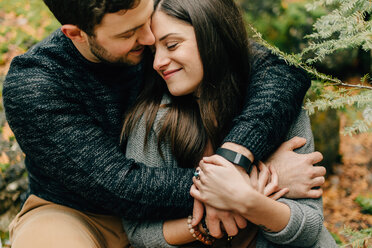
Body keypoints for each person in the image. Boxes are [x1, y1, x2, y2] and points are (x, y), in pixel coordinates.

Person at [2, 0, 326, 247]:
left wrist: (236, 160)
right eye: (129, 33)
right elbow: (122, 188)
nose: (147, 39)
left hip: (178, 200)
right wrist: (253, 181)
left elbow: (281, 71)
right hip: (81, 212)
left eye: (146, 21)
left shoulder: (156, 29)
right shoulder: (36, 83)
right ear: (76, 34)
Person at [120, 0, 337, 247]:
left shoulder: (276, 104)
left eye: (172, 45)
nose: (158, 62)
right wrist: (227, 206)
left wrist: (249, 201)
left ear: (213, 36)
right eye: (153, 52)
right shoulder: (153, 120)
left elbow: (309, 228)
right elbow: (139, 233)